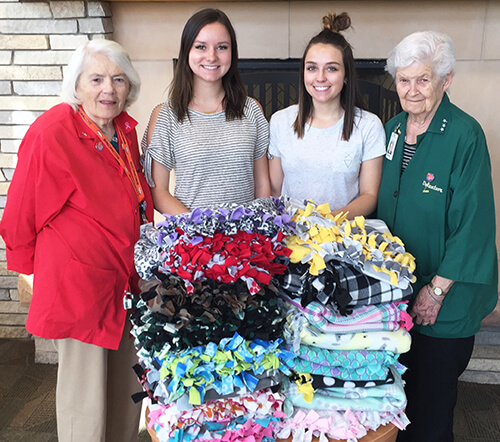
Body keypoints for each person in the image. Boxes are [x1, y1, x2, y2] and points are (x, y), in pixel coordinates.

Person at [0, 40, 154, 442]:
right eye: (97, 79)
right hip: (79, 283)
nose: (109, 89)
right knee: (85, 398)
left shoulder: (124, 129)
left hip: (124, 274)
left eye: (118, 79)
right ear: (77, 85)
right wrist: (30, 272)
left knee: (126, 386)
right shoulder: (54, 129)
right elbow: (20, 209)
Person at [377, 31, 498, 442]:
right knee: (396, 401)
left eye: (423, 79)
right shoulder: (392, 130)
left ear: (445, 80)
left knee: (430, 409)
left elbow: (475, 224)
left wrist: (437, 291)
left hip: (443, 299)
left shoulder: (465, 135)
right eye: (404, 80)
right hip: (398, 296)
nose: (412, 90)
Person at [142, 8, 270, 215]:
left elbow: (263, 184)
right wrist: (201, 230)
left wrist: (255, 227)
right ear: (187, 52)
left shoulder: (252, 110)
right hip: (193, 238)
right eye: (201, 47)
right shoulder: (165, 116)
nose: (211, 56)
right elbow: (158, 192)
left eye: (222, 47)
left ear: (232, 53)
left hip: (245, 238)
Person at [268, 12, 385, 218]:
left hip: (343, 234)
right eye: (312, 68)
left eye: (331, 68)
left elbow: (369, 195)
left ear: (346, 74)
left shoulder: (369, 126)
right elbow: (275, 190)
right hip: (289, 231)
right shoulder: (280, 121)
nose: (320, 77)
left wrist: (326, 222)